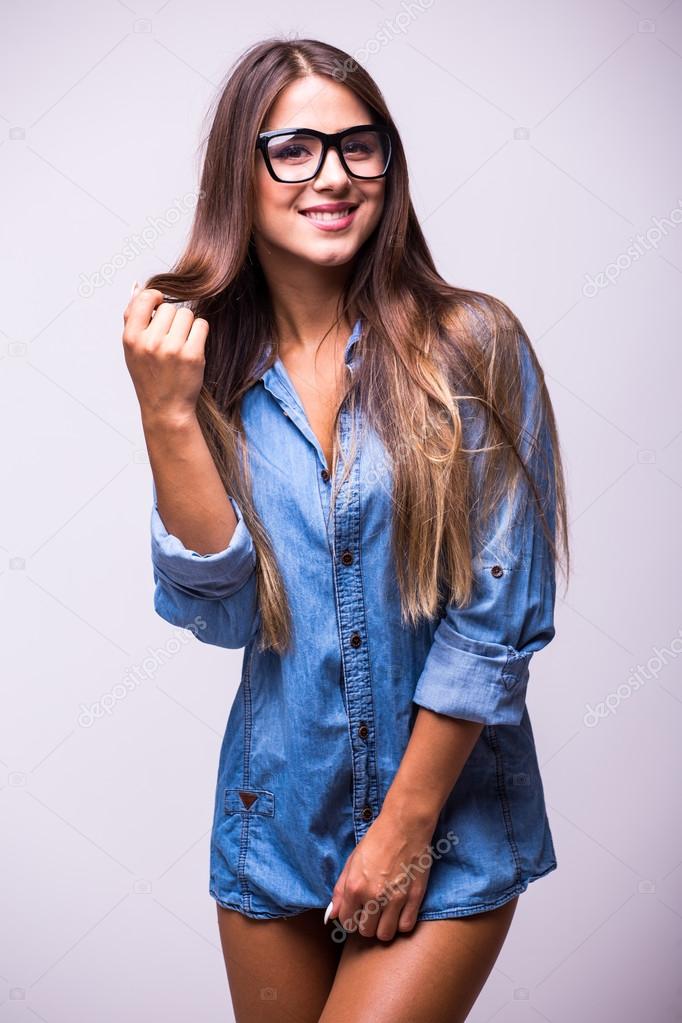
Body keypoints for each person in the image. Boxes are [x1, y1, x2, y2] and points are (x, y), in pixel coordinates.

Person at [122, 36, 569, 1023]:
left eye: (358, 146)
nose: (331, 175)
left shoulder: (472, 344)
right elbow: (226, 617)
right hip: (273, 818)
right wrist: (165, 417)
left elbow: (496, 617)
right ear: (238, 171)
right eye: (293, 148)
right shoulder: (206, 374)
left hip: (446, 823)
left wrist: (406, 828)